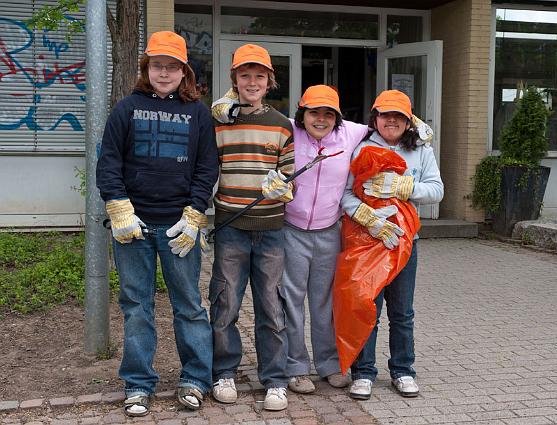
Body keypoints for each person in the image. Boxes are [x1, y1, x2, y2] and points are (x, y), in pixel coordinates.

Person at [96, 31, 218, 416]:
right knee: (136, 305)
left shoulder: (198, 113)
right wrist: (119, 209)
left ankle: (196, 378)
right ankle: (137, 383)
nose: (164, 73)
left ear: (185, 72)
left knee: (189, 305)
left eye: (172, 67)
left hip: (178, 225)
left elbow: (206, 166)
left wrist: (195, 213)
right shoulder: (126, 108)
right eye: (157, 65)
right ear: (146, 69)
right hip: (133, 225)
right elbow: (109, 163)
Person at [340, 90, 444, 400]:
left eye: (399, 116)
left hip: (404, 243)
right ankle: (363, 373)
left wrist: (406, 186)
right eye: (386, 115)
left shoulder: (421, 151)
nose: (392, 121)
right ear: (375, 118)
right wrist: (365, 216)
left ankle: (403, 370)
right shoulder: (359, 149)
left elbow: (437, 189)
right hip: (367, 242)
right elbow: (345, 193)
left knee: (402, 313)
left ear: (408, 121)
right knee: (367, 308)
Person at [208, 43, 294, 411]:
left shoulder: (282, 125)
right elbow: (206, 170)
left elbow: (289, 174)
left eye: (260, 75)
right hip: (230, 226)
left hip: (271, 228)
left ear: (270, 81)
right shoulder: (218, 122)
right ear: (235, 80)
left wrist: (284, 186)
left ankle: (274, 379)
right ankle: (223, 372)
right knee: (225, 302)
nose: (252, 81)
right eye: (245, 75)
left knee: (272, 305)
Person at [282, 85, 369, 394]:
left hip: (329, 231)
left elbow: (388, 124)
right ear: (302, 113)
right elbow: (255, 119)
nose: (321, 119)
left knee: (323, 302)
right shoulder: (287, 129)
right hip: (291, 230)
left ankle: (329, 364)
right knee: (291, 301)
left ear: (337, 117)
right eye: (314, 112)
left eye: (328, 114)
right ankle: (295, 367)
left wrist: (418, 126)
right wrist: (227, 105)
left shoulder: (351, 134)